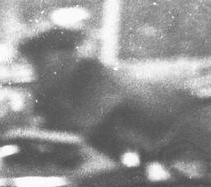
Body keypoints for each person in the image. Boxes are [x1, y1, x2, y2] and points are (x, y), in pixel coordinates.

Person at [16, 21, 198, 166]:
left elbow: (77, 133)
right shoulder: (60, 88)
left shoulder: (97, 78)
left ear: (67, 56)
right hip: (144, 155)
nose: (36, 70)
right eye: (33, 62)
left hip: (185, 149)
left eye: (40, 61)